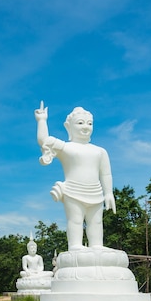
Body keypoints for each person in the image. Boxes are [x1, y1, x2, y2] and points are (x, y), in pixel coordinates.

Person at [35, 102, 116, 251]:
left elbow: (105, 173)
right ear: (68, 126)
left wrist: (109, 193)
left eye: (89, 123)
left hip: (96, 192)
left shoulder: (100, 151)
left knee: (96, 222)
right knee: (75, 221)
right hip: (73, 191)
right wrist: (42, 120)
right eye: (80, 123)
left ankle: (97, 245)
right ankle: (75, 245)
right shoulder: (67, 147)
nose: (86, 127)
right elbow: (44, 141)